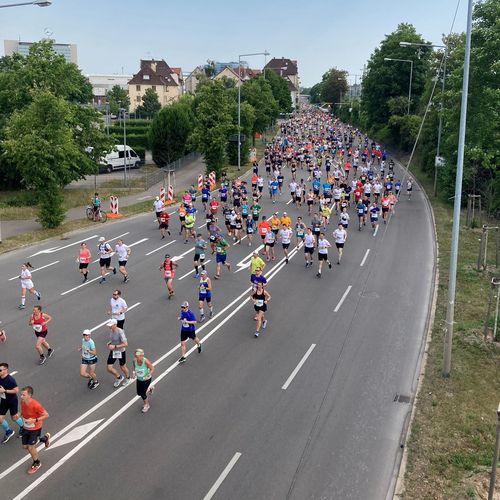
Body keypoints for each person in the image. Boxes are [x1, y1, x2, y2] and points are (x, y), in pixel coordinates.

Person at [20, 386, 50, 475]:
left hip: (35, 428)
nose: (21, 397)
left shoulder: (36, 405)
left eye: (23, 395)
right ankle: (44, 439)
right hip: (26, 427)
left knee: (30, 447)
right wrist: (19, 414)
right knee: (25, 447)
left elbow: (46, 415)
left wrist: (34, 420)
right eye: (21, 395)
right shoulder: (22, 402)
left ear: (29, 395)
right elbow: (23, 411)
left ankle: (37, 462)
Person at [0, 363, 25, 444]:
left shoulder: (10, 380)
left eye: (0, 370)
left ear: (6, 370)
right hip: (3, 400)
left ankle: (23, 427)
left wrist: (5, 391)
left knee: (14, 418)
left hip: (12, 401)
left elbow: (16, 390)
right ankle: (9, 431)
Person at [106, 319, 131, 388]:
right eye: (109, 325)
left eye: (111, 325)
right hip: (114, 351)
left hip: (121, 351)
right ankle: (119, 377)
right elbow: (113, 339)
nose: (109, 327)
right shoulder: (111, 330)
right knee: (109, 368)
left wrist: (115, 346)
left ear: (115, 325)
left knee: (122, 367)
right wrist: (109, 342)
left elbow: (126, 344)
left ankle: (128, 378)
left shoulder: (120, 332)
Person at [133, 349, 155, 413]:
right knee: (139, 393)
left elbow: (152, 369)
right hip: (139, 379)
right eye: (136, 355)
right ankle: (150, 388)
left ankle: (147, 405)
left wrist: (148, 375)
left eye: (139, 355)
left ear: (142, 355)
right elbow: (134, 367)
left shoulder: (146, 361)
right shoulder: (134, 360)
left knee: (143, 393)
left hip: (146, 379)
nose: (137, 357)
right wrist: (134, 372)